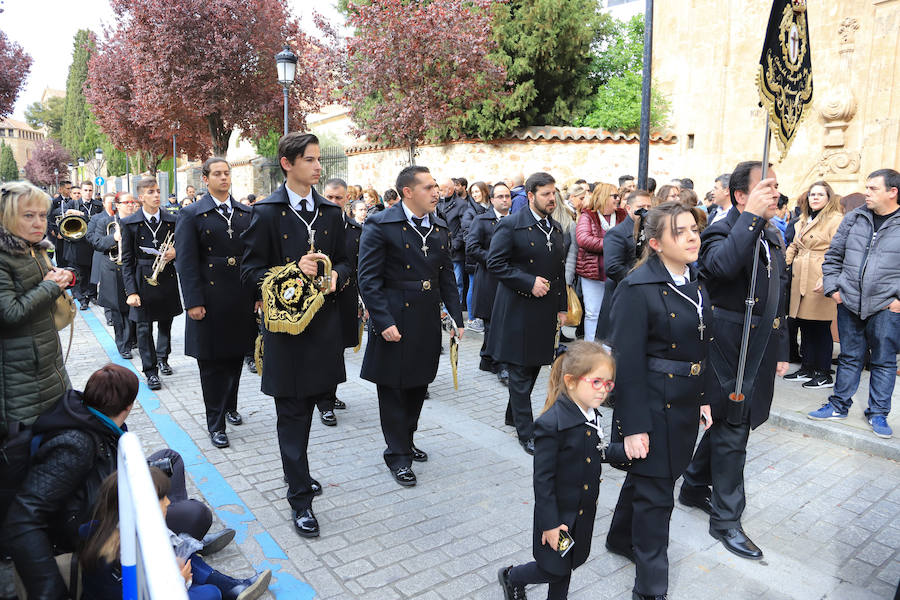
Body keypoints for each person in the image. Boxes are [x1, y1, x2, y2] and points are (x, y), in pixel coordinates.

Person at [2, 364, 230, 599]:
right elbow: (24, 516)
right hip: (98, 524)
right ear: (129, 406)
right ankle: (187, 548)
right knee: (196, 514)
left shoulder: (87, 416)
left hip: (107, 502)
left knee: (170, 459)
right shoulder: (76, 445)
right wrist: (52, 592)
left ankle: (183, 543)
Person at [678, 161, 789, 561]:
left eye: (776, 186)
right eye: (765, 187)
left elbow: (780, 296)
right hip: (728, 345)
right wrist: (752, 219)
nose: (775, 192)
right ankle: (726, 520)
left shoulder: (773, 236)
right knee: (734, 429)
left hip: (760, 345)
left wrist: (782, 350)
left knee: (736, 421)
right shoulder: (722, 231)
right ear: (741, 195)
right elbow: (720, 269)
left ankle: (692, 484)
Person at [241, 132, 349, 538]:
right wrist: (292, 272)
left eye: (320, 159)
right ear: (287, 164)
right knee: (292, 416)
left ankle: (298, 474)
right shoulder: (266, 212)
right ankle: (299, 497)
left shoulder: (330, 211)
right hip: (285, 332)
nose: (319, 167)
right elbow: (248, 273)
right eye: (310, 160)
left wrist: (337, 273)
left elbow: (345, 260)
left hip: (322, 329)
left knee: (311, 409)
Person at [605, 202, 713, 600]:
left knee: (653, 477)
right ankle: (650, 588)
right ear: (655, 243)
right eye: (680, 232)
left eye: (694, 230)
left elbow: (701, 344)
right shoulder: (637, 288)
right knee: (656, 496)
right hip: (652, 404)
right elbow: (626, 362)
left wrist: (704, 397)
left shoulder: (695, 280)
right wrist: (632, 427)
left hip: (686, 401)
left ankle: (619, 538)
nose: (692, 238)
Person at [357, 165, 463, 487]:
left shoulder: (439, 226)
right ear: (408, 192)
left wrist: (456, 318)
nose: (436, 192)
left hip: (426, 317)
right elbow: (368, 279)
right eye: (429, 187)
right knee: (393, 390)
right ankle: (397, 454)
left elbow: (446, 277)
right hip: (395, 318)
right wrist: (382, 319)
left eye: (435, 187)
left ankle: (408, 439)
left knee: (418, 385)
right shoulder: (380, 224)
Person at [498, 341, 623, 600]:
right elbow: (542, 482)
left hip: (580, 515)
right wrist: (551, 524)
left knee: (564, 569)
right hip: (557, 517)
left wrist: (625, 452)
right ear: (571, 381)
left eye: (608, 383)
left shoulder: (591, 415)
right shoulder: (551, 424)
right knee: (553, 570)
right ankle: (513, 576)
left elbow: (594, 452)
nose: (603, 390)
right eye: (596, 382)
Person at [81, 469, 270, 600]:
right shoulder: (125, 553)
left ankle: (230, 587)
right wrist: (180, 581)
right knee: (211, 593)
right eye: (161, 498)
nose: (168, 503)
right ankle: (228, 588)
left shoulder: (105, 528)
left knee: (180, 553)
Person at [175, 158, 255, 449]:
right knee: (211, 364)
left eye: (227, 173)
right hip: (208, 299)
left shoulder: (246, 213)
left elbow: (254, 258)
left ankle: (230, 407)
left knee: (235, 358)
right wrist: (193, 301)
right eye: (217, 174)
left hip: (240, 296)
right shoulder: (192, 214)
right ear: (205, 179)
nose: (224, 178)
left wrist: (257, 295)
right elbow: (185, 262)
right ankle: (215, 423)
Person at [814, 169, 900, 439]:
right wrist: (834, 289)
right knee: (849, 357)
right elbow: (833, 257)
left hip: (886, 306)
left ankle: (878, 414)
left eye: (873, 188)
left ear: (892, 191)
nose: (867, 192)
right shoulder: (854, 218)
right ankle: (838, 405)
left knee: (884, 361)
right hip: (849, 301)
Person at [487, 172, 567, 455]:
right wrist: (527, 282)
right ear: (530, 196)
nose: (552, 198)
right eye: (546, 194)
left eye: (554, 193)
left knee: (533, 364)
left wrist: (562, 307)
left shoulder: (556, 228)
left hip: (545, 309)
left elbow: (558, 273)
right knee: (520, 369)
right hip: (518, 307)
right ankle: (525, 430)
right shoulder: (510, 225)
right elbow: (494, 264)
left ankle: (512, 414)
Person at [0, 181, 74, 437]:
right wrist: (51, 286)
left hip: (48, 367)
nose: (38, 223)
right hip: (19, 382)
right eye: (28, 216)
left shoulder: (33, 249)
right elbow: (9, 313)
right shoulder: (4, 256)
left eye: (42, 215)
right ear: (6, 217)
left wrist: (60, 278)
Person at [782, 181, 843, 389]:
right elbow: (793, 246)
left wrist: (828, 276)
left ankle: (823, 372)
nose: (815, 198)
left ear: (828, 198)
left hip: (820, 272)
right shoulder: (803, 219)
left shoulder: (835, 220)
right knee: (804, 324)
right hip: (801, 275)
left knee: (821, 325)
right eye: (812, 194)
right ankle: (807, 367)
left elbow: (839, 250)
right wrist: (783, 265)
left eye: (820, 194)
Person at [122, 177, 181, 390]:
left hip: (166, 276)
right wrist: (131, 291)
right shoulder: (130, 223)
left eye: (157, 191)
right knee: (144, 328)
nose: (156, 195)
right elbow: (127, 260)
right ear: (141, 197)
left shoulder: (172, 219)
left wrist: (177, 252)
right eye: (150, 192)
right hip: (142, 276)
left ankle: (163, 357)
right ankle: (150, 371)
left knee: (166, 321)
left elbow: (186, 247)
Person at [314, 178, 360, 426]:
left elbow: (359, 266)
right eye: (329, 197)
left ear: (346, 200)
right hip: (320, 298)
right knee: (325, 350)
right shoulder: (316, 226)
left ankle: (331, 394)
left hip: (346, 296)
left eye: (338, 198)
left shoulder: (355, 229)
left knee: (339, 348)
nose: (333, 202)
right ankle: (324, 403)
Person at [467, 182, 512, 384]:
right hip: (489, 279)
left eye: (507, 196)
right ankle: (501, 365)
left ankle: (487, 358)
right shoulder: (482, 220)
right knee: (494, 323)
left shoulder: (515, 220)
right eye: (500, 196)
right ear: (492, 199)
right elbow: (472, 247)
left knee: (501, 322)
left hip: (509, 279)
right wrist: (494, 261)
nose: (505, 200)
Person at [595, 190, 653, 341]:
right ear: (628, 208)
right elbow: (613, 268)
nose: (645, 210)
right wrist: (642, 280)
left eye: (649, 206)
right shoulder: (617, 233)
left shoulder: (653, 231)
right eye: (641, 206)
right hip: (623, 294)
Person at [87, 192, 139, 359]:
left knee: (134, 307)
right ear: (118, 205)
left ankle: (133, 339)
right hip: (113, 270)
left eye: (132, 201)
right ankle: (123, 345)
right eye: (127, 202)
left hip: (132, 269)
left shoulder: (137, 222)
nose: (131, 204)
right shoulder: (105, 222)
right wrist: (113, 238)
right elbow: (96, 243)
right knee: (118, 311)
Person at [576, 182, 627, 343]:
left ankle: (609, 347)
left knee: (614, 312)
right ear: (604, 196)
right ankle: (591, 347)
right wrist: (612, 245)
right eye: (614, 196)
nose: (618, 199)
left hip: (616, 272)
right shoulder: (588, 216)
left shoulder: (622, 215)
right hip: (593, 272)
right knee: (593, 312)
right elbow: (583, 239)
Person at [63, 181, 104, 309]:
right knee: (79, 273)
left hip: (91, 242)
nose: (88, 193)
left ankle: (92, 295)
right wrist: (67, 212)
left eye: (90, 190)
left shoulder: (98, 205)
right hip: (77, 243)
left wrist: (82, 215)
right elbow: (60, 213)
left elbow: (100, 219)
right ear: (81, 191)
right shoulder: (73, 203)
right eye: (85, 190)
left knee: (92, 271)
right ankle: (82, 299)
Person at [463, 181, 490, 332]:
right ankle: (473, 318)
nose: (475, 195)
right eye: (472, 192)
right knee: (474, 286)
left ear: (485, 192)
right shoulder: (470, 212)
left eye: (477, 191)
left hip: (488, 255)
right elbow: (468, 234)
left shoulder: (489, 208)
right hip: (476, 256)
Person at [438, 178, 467, 308]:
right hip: (440, 249)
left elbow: (464, 227)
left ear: (450, 190)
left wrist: (455, 244)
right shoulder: (437, 204)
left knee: (456, 282)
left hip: (455, 251)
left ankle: (454, 309)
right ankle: (444, 309)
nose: (438, 192)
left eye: (441, 190)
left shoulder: (461, 204)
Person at [48, 179, 72, 267]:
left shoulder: (73, 201)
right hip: (59, 236)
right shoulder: (54, 202)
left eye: (70, 188)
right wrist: (55, 232)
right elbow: (50, 218)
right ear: (61, 189)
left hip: (71, 233)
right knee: (61, 257)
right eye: (67, 188)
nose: (69, 191)